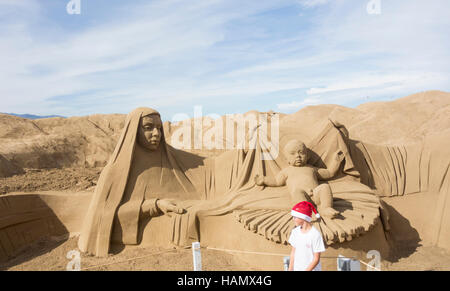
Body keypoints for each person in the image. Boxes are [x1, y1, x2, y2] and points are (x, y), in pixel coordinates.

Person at [255, 139, 343, 218]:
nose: (298, 156)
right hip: (301, 196)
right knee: (297, 192)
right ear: (286, 159)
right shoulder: (287, 171)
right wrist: (264, 180)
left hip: (315, 194)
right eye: (293, 154)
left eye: (301, 153)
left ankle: (325, 208)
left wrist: (336, 161)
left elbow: (329, 173)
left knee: (324, 187)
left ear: (307, 156)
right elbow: (277, 181)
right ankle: (305, 212)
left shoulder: (311, 168)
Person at [288, 201, 325, 271]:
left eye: (295, 217)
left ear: (303, 217)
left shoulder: (315, 235)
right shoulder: (295, 232)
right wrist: (290, 269)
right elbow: (293, 253)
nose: (293, 219)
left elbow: (316, 259)